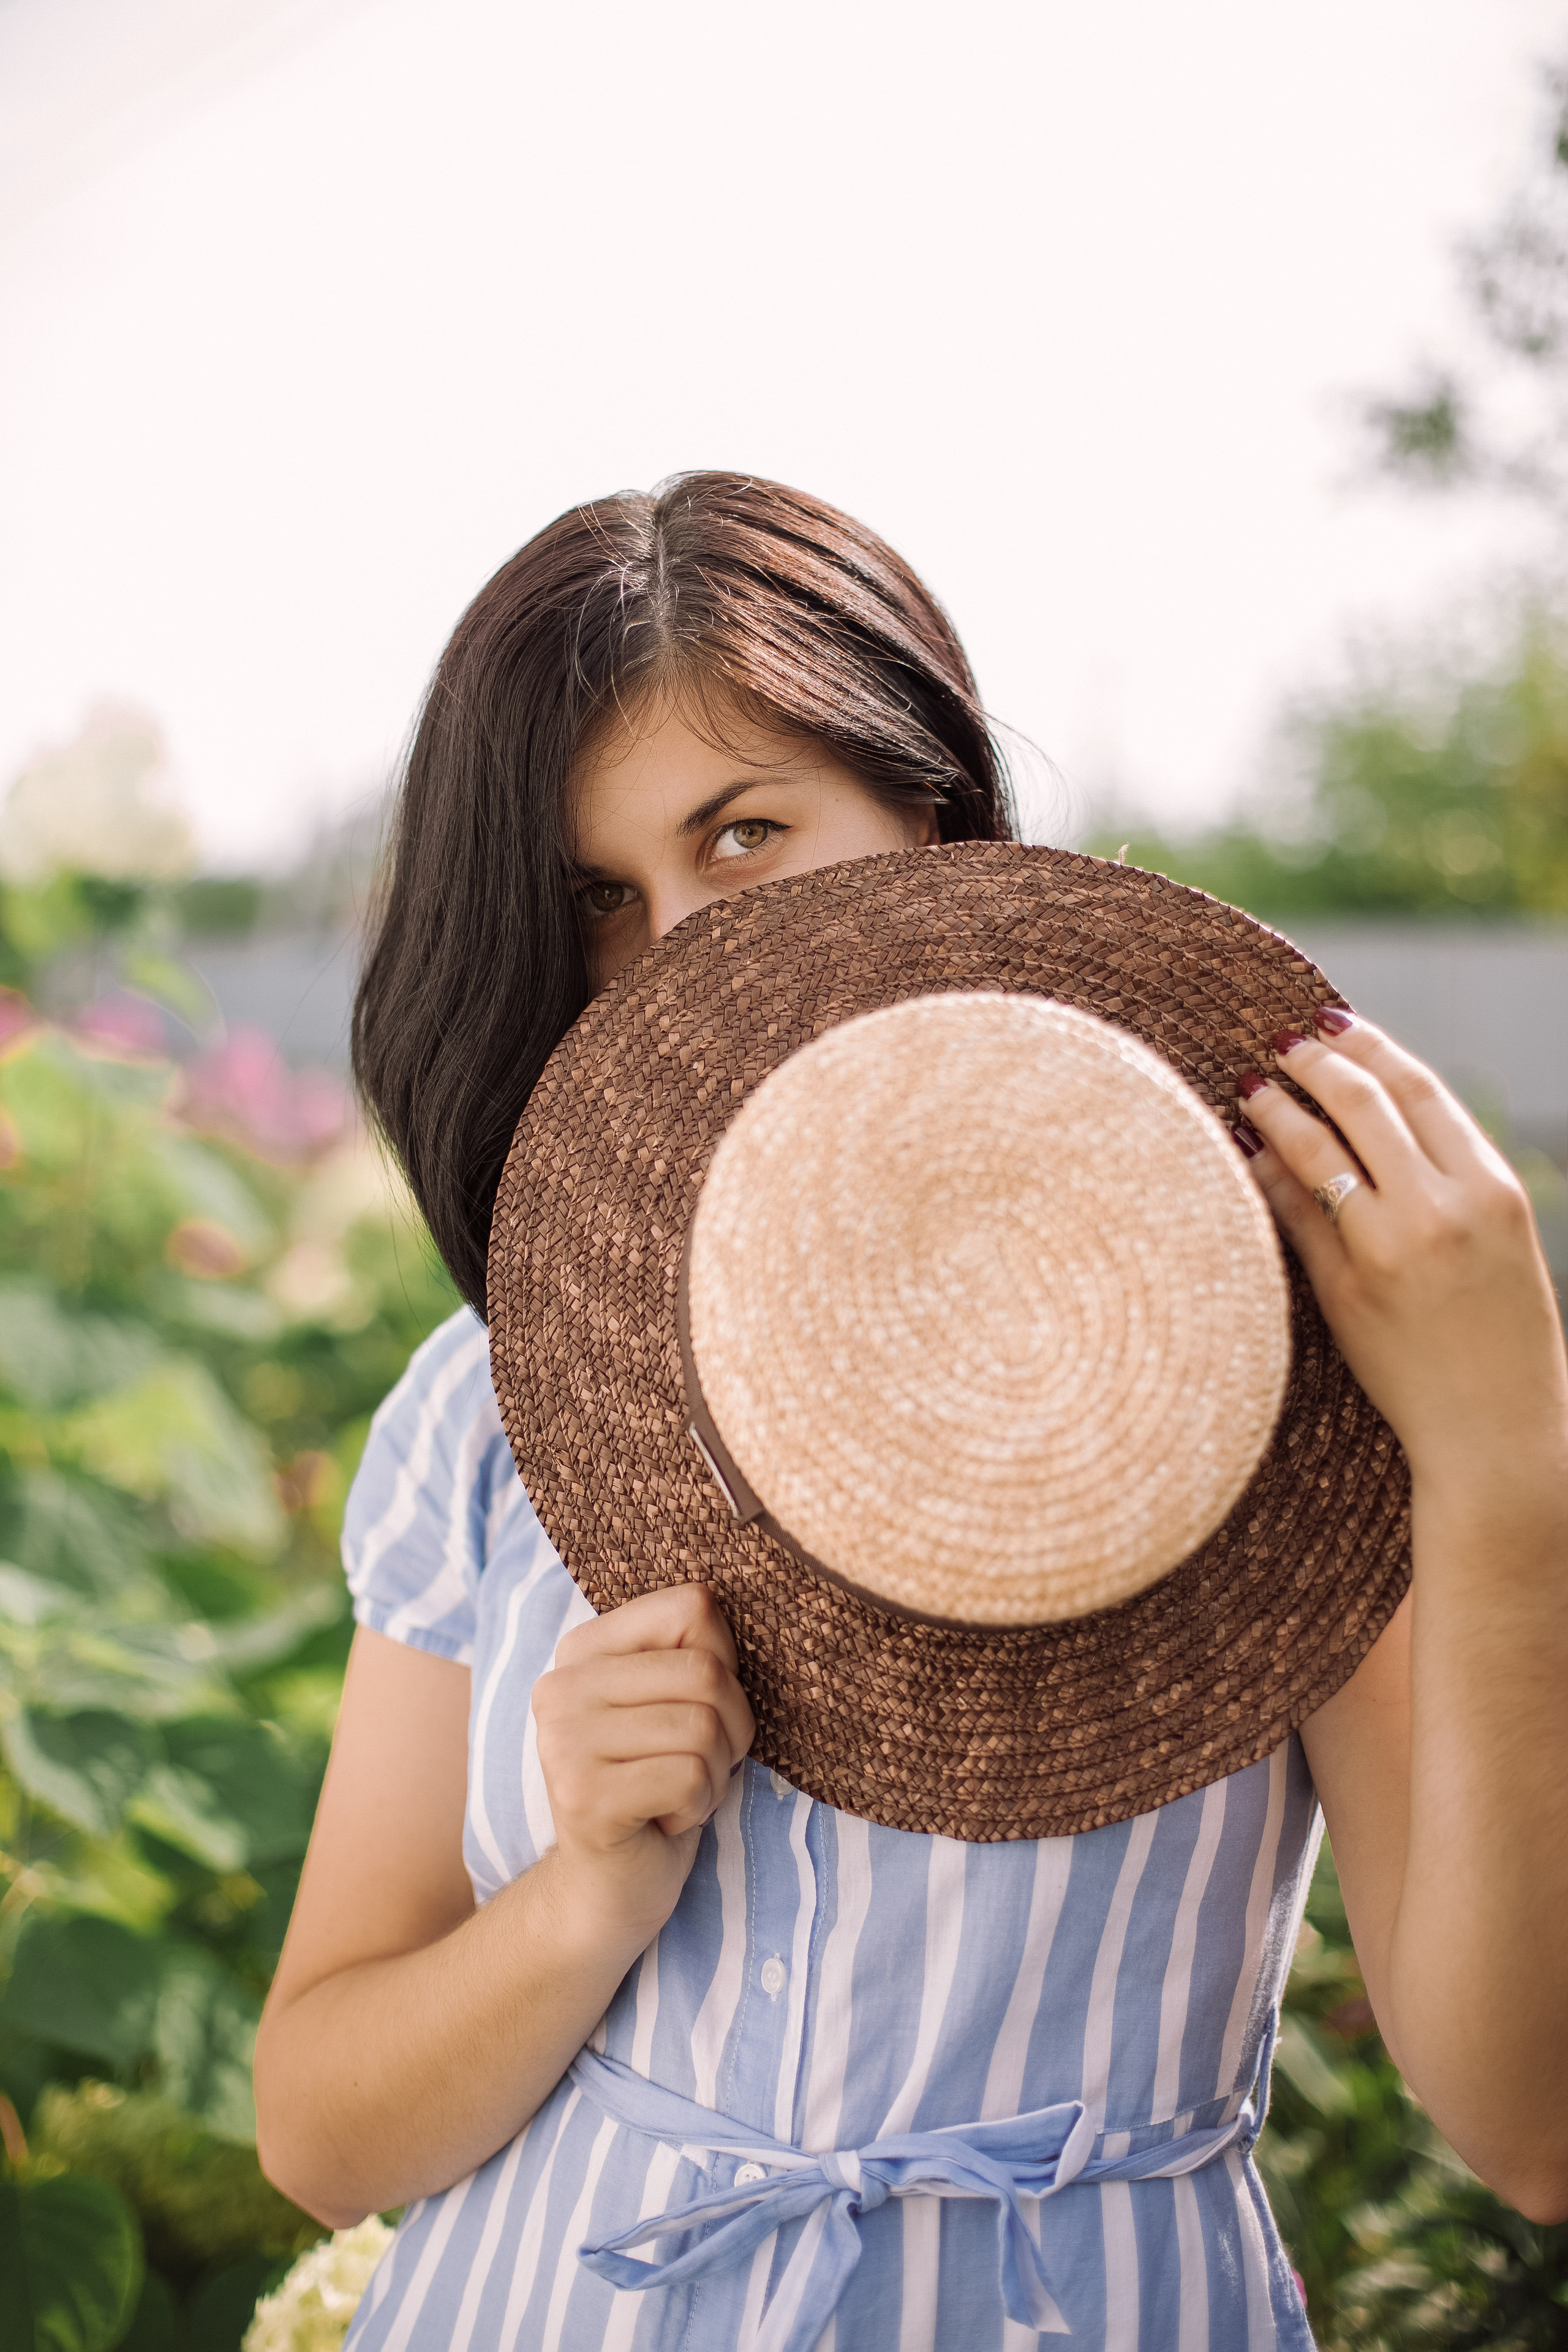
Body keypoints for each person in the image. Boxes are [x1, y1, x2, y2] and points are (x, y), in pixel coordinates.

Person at [252, 472, 1568, 2351]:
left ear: (934, 818)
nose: (688, 948)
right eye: (595, 901)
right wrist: (579, 1903)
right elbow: (318, 2132)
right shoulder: (485, 1409)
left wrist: (1507, 1470)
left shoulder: (1264, 1378)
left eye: (748, 833)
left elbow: (1533, 2130)